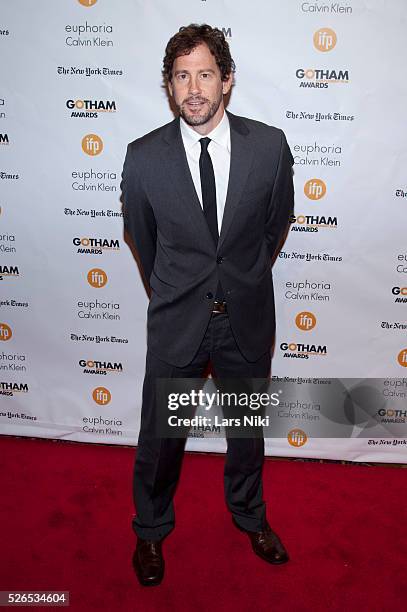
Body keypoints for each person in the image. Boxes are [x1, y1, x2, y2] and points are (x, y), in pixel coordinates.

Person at [121, 23, 294, 586]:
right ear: (169, 86)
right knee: (162, 438)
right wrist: (177, 287)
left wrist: (239, 279)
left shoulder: (269, 147)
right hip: (178, 321)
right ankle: (150, 530)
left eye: (205, 74)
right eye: (181, 76)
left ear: (227, 81)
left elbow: (273, 229)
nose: (193, 88)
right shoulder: (143, 158)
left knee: (246, 432)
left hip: (244, 317)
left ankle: (250, 516)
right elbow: (143, 241)